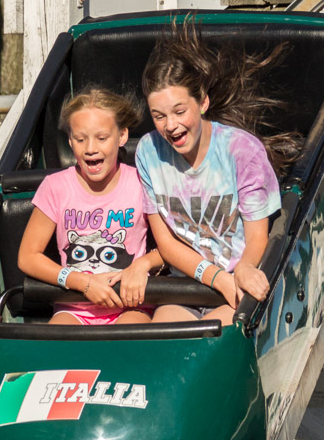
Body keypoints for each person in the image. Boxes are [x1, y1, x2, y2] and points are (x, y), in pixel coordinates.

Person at [135, 24, 300, 324]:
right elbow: (167, 244)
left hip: (236, 281)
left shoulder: (241, 151)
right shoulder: (148, 152)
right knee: (162, 342)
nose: (170, 125)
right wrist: (215, 278)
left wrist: (244, 270)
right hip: (187, 286)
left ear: (202, 102)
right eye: (159, 116)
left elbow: (256, 239)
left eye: (179, 111)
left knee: (216, 340)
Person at [17, 87, 161, 325]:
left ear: (122, 136)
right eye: (81, 139)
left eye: (102, 138)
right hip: (74, 308)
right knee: (57, 344)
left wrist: (142, 266)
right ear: (70, 141)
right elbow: (28, 256)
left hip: (131, 306)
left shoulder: (141, 184)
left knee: (129, 343)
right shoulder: (56, 187)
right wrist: (82, 283)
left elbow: (171, 246)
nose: (91, 148)